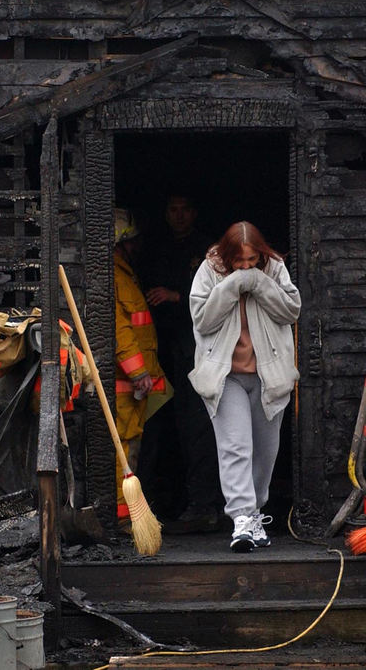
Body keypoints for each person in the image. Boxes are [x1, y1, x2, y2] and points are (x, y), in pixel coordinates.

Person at [188, 221, 301, 552]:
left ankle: (254, 515)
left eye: (252, 261)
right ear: (228, 256)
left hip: (269, 376)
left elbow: (291, 311)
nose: (247, 267)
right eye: (240, 262)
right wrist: (233, 284)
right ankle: (242, 521)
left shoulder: (274, 267)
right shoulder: (210, 269)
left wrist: (259, 283)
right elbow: (202, 319)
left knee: (265, 453)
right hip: (226, 377)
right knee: (236, 446)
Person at [140, 195, 222, 533]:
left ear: (195, 212)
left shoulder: (208, 249)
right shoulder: (154, 248)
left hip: (197, 350)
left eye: (185, 208)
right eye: (172, 209)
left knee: (198, 424)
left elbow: (219, 293)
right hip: (158, 351)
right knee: (162, 427)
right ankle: (168, 500)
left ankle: (206, 504)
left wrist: (177, 295)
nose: (179, 215)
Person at [112, 208, 170, 524]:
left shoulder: (125, 274)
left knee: (140, 449)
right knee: (125, 451)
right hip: (129, 383)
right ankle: (125, 521)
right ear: (119, 242)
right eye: (131, 240)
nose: (137, 246)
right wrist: (137, 372)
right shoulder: (115, 279)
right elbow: (120, 331)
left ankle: (135, 515)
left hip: (145, 380)